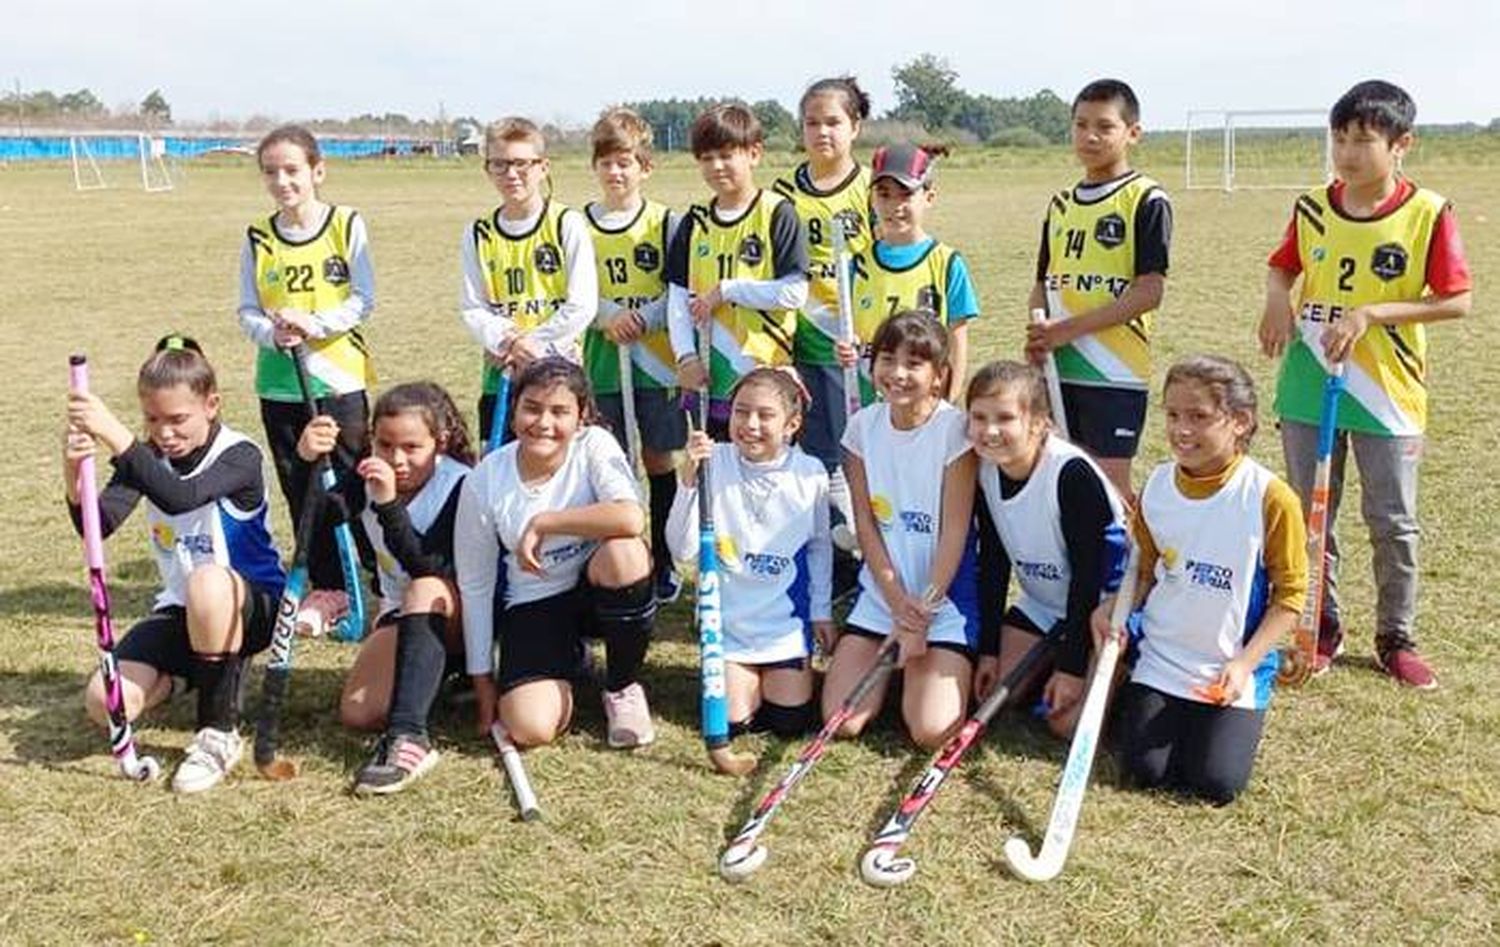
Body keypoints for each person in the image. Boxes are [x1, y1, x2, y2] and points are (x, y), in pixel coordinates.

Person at [1257, 80, 1472, 690]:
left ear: (1402, 144)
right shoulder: (1312, 207)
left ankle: (1396, 636)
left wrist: (1374, 313)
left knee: (1392, 519)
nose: (1347, 153)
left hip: (1387, 391)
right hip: (1308, 381)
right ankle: (1321, 626)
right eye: (1340, 138)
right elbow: (1284, 264)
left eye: (1364, 140)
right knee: (1309, 514)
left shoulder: (1427, 212)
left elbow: (1457, 300)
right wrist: (1277, 298)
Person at [65, 336, 285, 794]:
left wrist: (116, 433)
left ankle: (217, 734)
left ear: (211, 404)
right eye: (152, 419)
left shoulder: (240, 455)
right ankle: (191, 677)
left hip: (252, 605)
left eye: (177, 419)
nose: (164, 433)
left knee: (206, 583)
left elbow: (179, 496)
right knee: (105, 703)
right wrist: (73, 473)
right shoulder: (147, 458)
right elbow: (97, 525)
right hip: (184, 610)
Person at [1098, 356, 1306, 805]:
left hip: (1229, 663)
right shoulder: (1156, 484)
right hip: (1164, 655)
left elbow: (1290, 598)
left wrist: (1246, 663)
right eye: (1173, 415)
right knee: (1144, 771)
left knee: (1216, 783)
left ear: (1240, 421)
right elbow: (1144, 569)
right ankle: (1138, 695)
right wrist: (1116, 608)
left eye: (1199, 416)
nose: (1181, 430)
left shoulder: (1269, 498)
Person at [454, 358, 657, 749]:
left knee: (626, 555)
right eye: (532, 407)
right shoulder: (485, 479)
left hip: (595, 590)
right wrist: (483, 681)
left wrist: (546, 522)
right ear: (513, 410)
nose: (543, 423)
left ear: (582, 418)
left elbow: (631, 518)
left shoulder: (595, 445)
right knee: (531, 729)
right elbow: (475, 586)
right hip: (535, 600)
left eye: (560, 411)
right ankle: (570, 663)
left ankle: (621, 687)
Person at [296, 383, 474, 794]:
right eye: (384, 444)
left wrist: (389, 506)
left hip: (466, 614)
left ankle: (410, 738)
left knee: (424, 588)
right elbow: (318, 517)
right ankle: (436, 678)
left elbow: (429, 566)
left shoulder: (461, 485)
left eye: (412, 447)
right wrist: (305, 461)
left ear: (440, 443)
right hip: (403, 614)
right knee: (360, 713)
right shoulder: (368, 474)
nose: (396, 459)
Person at [236, 124, 375, 634]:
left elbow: (364, 299)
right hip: (280, 382)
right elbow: (247, 309)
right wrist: (273, 332)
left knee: (349, 481)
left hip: (337, 379)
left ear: (317, 170)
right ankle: (328, 587)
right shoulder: (258, 236)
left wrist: (314, 325)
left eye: (292, 170)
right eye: (271, 172)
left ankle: (377, 579)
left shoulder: (345, 224)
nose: (282, 181)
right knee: (302, 487)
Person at [822, 311, 979, 749]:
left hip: (941, 602)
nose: (897, 374)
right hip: (883, 598)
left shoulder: (955, 431)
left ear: (939, 375)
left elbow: (954, 533)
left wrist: (920, 614)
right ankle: (897, 671)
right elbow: (866, 527)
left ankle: (918, 675)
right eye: (887, 359)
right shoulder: (861, 428)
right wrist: (896, 606)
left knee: (932, 732)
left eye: (914, 364)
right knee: (842, 721)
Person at [1025, 79, 1172, 499]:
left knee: (1110, 487)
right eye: (1081, 124)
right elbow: (1042, 283)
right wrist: (1037, 337)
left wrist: (1069, 329)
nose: (1090, 136)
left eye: (1105, 127)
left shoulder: (1146, 199)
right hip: (1059, 367)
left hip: (1114, 372)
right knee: (1061, 480)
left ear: (1133, 133)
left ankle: (1129, 566)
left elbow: (1149, 291)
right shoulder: (1060, 204)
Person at [666, 368, 832, 738]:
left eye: (765, 415)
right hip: (729, 627)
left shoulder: (811, 474)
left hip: (784, 626)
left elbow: (820, 548)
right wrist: (689, 482)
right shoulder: (713, 460)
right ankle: (745, 677)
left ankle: (801, 671)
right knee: (734, 721)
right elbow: (682, 548)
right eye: (741, 412)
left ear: (792, 424)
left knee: (788, 721)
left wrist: (820, 611)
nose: (750, 424)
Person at [965, 360, 1125, 739]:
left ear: (1039, 423)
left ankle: (1118, 669)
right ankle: (1054, 662)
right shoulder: (986, 469)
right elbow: (993, 562)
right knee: (997, 693)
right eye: (978, 417)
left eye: (1005, 418)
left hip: (1099, 609)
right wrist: (988, 649)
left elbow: (1088, 577)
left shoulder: (1070, 475)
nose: (989, 431)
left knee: (1065, 725)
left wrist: (1071, 667)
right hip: (1043, 605)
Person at [580, 107, 688, 603]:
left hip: (658, 365)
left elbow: (678, 292)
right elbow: (573, 291)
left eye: (626, 162)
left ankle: (665, 560)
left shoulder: (666, 222)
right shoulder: (579, 224)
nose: (615, 172)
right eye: (607, 162)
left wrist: (646, 316)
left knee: (658, 457)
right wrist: (606, 316)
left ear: (645, 166)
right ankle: (625, 557)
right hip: (603, 363)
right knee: (612, 463)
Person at [666, 103, 809, 440]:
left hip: (767, 378)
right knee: (716, 477)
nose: (716, 166)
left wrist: (728, 290)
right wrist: (685, 356)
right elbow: (676, 298)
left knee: (767, 475)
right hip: (709, 378)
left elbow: (793, 293)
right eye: (706, 158)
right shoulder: (695, 221)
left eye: (727, 155)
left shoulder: (778, 212)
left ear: (754, 154)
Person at [459, 117, 598, 439]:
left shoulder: (567, 223)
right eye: (500, 164)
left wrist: (530, 347)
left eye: (521, 163)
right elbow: (472, 307)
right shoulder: (477, 233)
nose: (511, 174)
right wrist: (508, 340)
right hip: (502, 375)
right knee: (504, 471)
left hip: (559, 374)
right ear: (487, 169)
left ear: (543, 167)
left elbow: (582, 305)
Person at [774, 76, 873, 482]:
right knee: (813, 459)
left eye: (833, 122)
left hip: (855, 344)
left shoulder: (872, 188)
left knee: (860, 451)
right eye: (812, 123)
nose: (822, 132)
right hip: (802, 341)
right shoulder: (784, 192)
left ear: (855, 127)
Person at [844, 143, 980, 389]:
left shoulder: (947, 263)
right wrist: (844, 351)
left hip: (926, 406)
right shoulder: (858, 264)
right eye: (884, 194)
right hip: (870, 405)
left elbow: (957, 342)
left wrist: (949, 399)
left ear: (929, 197)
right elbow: (851, 338)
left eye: (906, 194)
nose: (895, 206)